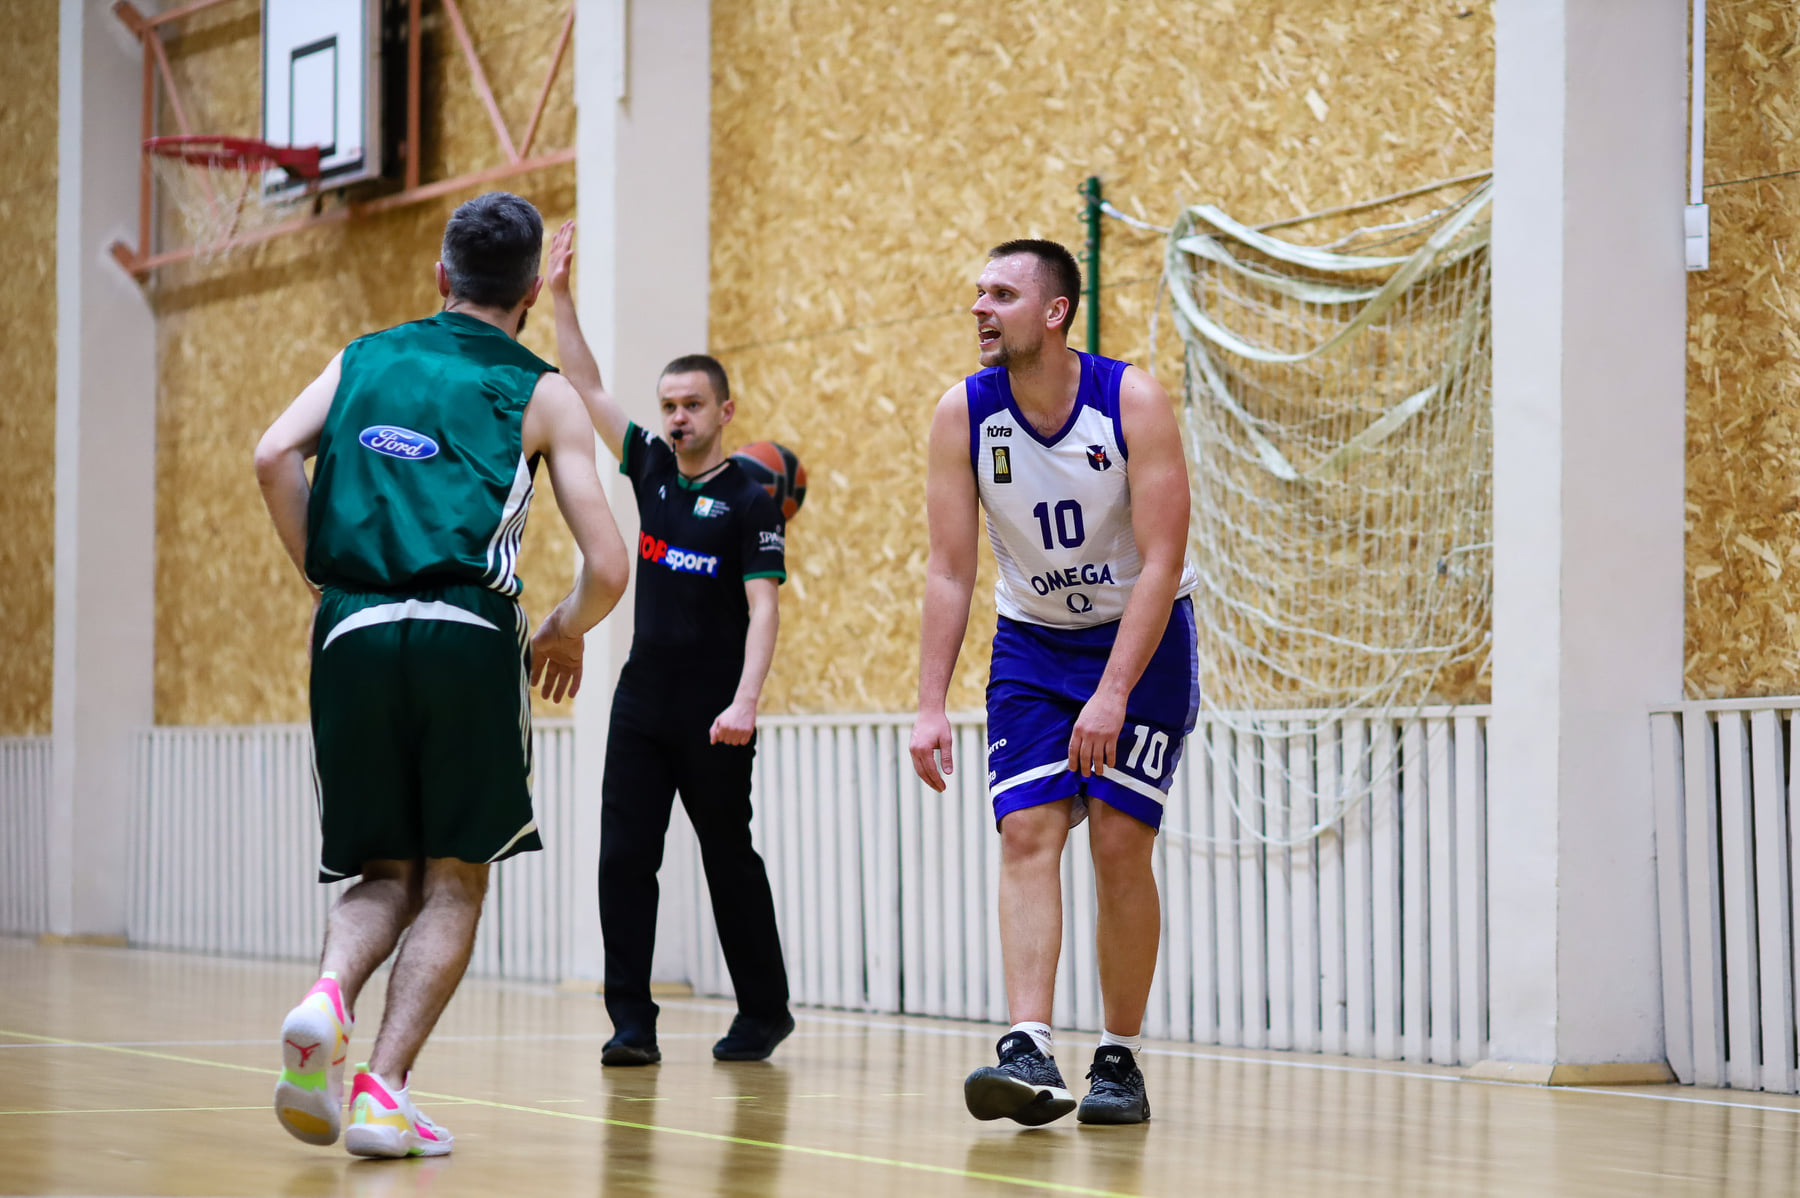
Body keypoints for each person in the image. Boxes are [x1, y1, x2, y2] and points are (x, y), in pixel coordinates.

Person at [254, 192, 629, 1158]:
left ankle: (326, 995)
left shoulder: (362, 358)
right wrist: (561, 629)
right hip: (466, 631)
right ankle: (381, 1093)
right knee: (456, 880)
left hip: (351, 627)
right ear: (532, 291)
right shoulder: (543, 391)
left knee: (384, 869)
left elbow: (272, 455)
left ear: (440, 275)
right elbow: (610, 563)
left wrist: (325, 578)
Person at [910, 239, 1199, 1127]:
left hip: (1141, 636)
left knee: (1118, 841)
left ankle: (1119, 1059)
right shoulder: (964, 413)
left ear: (1055, 311)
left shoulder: (1131, 400)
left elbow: (1162, 561)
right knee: (1027, 829)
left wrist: (1113, 691)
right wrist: (928, 704)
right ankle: (1028, 1047)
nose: (980, 308)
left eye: (1001, 294)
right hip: (1034, 643)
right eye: (978, 293)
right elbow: (950, 570)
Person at [545, 221, 795, 1064]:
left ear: (725, 411)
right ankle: (632, 1024)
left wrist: (746, 702)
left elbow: (764, 609)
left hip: (717, 707)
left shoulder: (753, 499)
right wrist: (561, 295)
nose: (679, 418)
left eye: (692, 405)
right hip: (643, 699)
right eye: (669, 407)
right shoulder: (649, 467)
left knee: (728, 857)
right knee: (624, 857)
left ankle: (764, 1012)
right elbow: (583, 384)